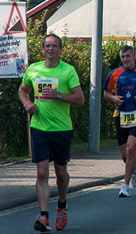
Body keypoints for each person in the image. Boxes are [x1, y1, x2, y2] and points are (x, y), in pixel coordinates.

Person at [19, 34, 86, 232]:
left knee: (61, 172)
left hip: (62, 129)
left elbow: (80, 99)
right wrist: (27, 103)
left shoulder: (68, 71)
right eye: (47, 45)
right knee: (41, 173)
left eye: (54, 46)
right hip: (39, 127)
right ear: (42, 49)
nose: (50, 49)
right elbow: (23, 90)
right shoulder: (33, 69)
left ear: (60, 49)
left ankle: (62, 205)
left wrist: (57, 95)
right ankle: (44, 216)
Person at [103, 46, 136, 198]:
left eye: (128, 56)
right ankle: (134, 167)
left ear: (134, 56)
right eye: (123, 57)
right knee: (124, 154)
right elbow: (106, 93)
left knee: (131, 148)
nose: (125, 59)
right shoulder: (114, 74)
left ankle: (125, 185)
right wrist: (113, 98)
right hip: (120, 114)